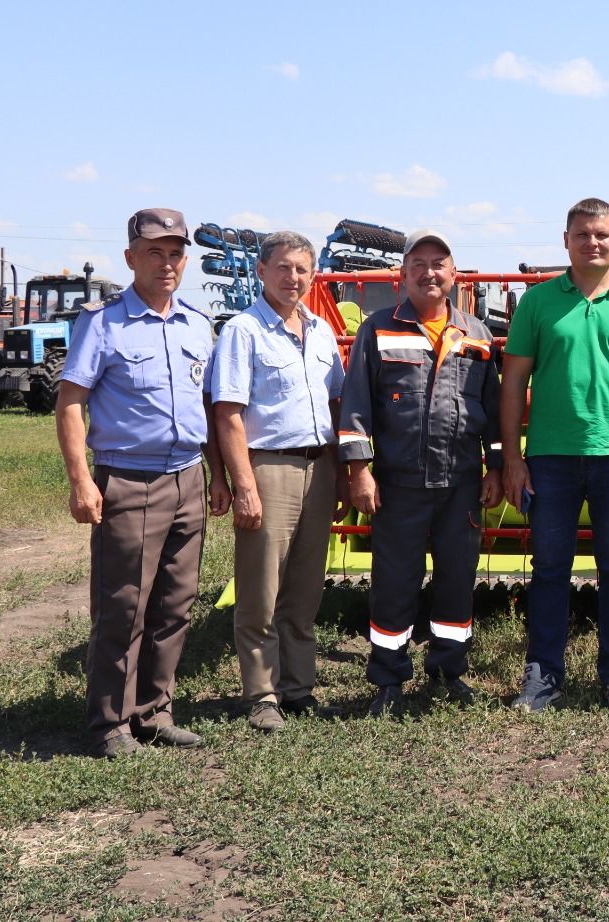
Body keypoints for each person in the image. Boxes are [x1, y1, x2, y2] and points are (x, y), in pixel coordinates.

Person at [56, 208, 231, 759]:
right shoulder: (102, 322)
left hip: (187, 478)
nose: (167, 262)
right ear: (131, 257)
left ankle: (155, 712)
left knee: (176, 605)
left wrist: (218, 475)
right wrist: (82, 481)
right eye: (154, 252)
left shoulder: (197, 324)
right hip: (128, 481)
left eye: (176, 252)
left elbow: (206, 406)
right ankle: (109, 724)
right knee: (124, 605)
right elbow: (69, 405)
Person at [500, 199, 609, 716]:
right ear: (566, 240)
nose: (592, 243)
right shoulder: (538, 303)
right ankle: (543, 673)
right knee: (550, 568)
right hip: (550, 457)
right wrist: (513, 457)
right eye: (583, 234)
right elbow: (513, 383)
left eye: (602, 235)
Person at [338, 229, 503, 715]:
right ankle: (388, 680)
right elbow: (355, 407)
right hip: (398, 482)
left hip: (462, 482)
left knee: (457, 579)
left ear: (455, 274)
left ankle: (448, 670)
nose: (430, 273)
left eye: (440, 263)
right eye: (419, 264)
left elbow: (491, 412)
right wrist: (359, 472)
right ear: (403, 274)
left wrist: (495, 467)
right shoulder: (377, 328)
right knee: (394, 582)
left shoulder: (477, 333)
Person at [210, 230, 346, 733]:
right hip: (268, 466)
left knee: (306, 587)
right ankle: (262, 694)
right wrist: (242, 484)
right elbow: (227, 413)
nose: (293, 278)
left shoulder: (322, 331)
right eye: (284, 268)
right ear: (262, 271)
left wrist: (340, 472)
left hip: (319, 466)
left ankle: (298, 687)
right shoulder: (244, 331)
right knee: (261, 587)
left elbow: (335, 404)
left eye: (302, 270)